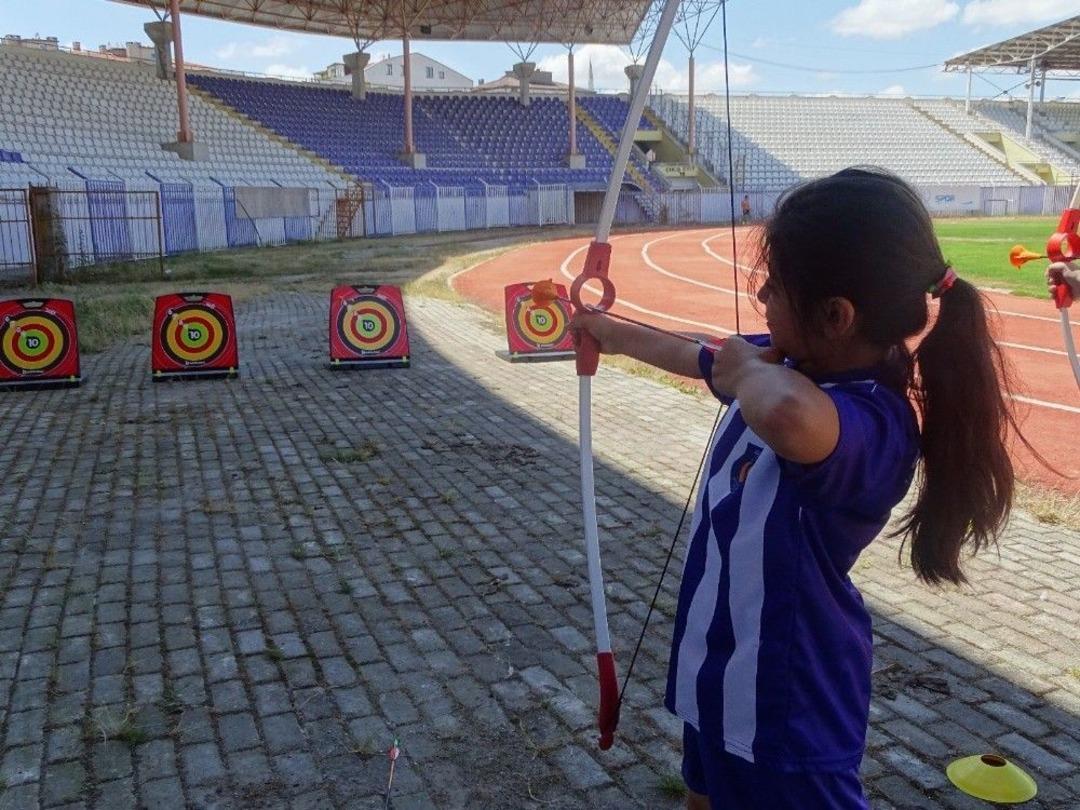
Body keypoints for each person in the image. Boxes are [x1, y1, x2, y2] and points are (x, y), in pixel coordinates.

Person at [572, 168, 1018, 810]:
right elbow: (701, 356)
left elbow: (786, 416)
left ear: (835, 316)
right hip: (721, 675)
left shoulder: (874, 420)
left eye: (774, 288)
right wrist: (605, 332)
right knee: (704, 796)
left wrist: (746, 369)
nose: (759, 297)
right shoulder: (785, 364)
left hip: (790, 701)